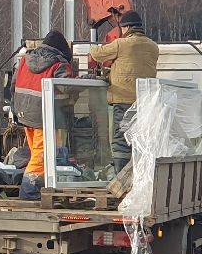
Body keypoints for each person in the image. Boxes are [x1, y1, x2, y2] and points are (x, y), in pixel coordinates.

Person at [88, 10, 159, 173]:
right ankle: (138, 174)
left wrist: (94, 47)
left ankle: (120, 176)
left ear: (126, 28)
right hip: (144, 102)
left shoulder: (122, 44)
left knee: (121, 139)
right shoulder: (153, 46)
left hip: (123, 99)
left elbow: (97, 54)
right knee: (139, 138)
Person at [12, 30, 76, 182]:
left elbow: (13, 85)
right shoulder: (59, 64)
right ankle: (28, 191)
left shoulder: (24, 60)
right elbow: (67, 87)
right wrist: (85, 80)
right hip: (43, 117)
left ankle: (37, 185)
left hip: (24, 114)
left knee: (36, 153)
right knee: (40, 157)